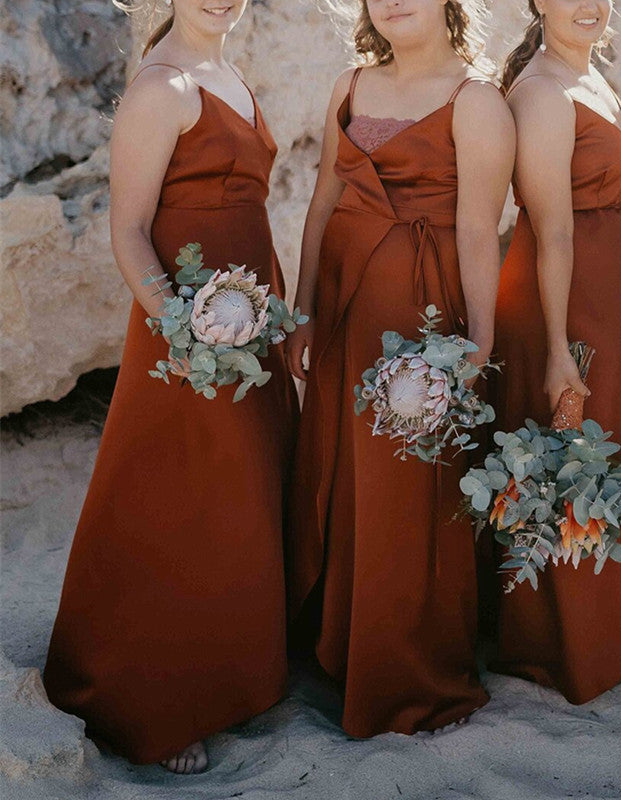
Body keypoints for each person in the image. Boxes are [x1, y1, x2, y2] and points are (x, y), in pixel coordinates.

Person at [44, 0, 297, 773]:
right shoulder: (162, 87)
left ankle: (226, 675)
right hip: (191, 331)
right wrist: (187, 332)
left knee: (239, 495)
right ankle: (152, 701)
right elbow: (129, 229)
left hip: (249, 322)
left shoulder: (228, 72)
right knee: (177, 500)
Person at [286, 0, 514, 737]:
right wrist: (303, 306)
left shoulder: (476, 101)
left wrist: (478, 342)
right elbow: (324, 197)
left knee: (406, 487)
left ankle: (405, 667)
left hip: (422, 318)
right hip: (344, 310)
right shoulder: (351, 84)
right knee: (342, 470)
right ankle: (339, 644)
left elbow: (480, 230)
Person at [492, 0, 621, 702]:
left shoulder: (593, 76)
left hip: (610, 293)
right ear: (537, 3)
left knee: (609, 452)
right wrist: (556, 349)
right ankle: (566, 648)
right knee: (572, 456)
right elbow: (550, 233)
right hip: (566, 296)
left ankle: (614, 627)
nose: (587, 4)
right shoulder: (543, 94)